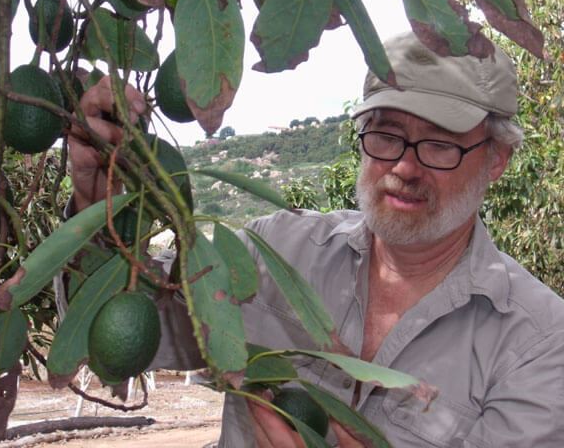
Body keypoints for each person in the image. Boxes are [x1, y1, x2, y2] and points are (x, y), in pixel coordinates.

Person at [68, 31, 564, 447]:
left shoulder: (540, 344)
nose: (404, 167)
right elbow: (108, 333)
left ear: (497, 157)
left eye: (439, 144)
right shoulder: (271, 255)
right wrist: (97, 205)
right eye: (386, 135)